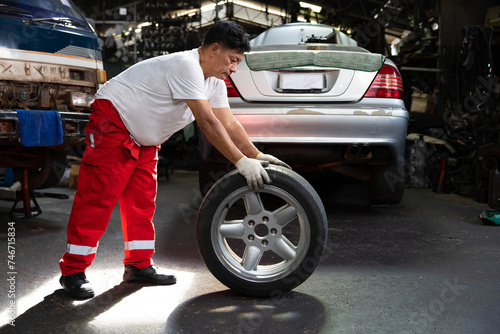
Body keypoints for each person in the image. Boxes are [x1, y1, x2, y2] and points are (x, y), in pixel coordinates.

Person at [58, 20, 289, 300]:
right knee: (98, 198)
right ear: (214, 49)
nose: (233, 69)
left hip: (144, 139)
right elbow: (206, 121)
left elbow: (228, 123)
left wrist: (257, 155)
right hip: (114, 122)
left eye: (237, 62)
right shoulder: (187, 66)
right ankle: (73, 272)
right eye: (232, 60)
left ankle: (138, 266)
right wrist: (240, 161)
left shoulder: (213, 81)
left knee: (142, 202)